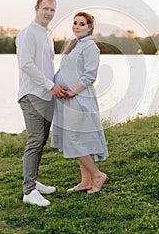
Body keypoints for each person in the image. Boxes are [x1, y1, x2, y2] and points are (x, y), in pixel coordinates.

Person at [16, 0, 67, 207]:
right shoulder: (27, 33)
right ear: (36, 8)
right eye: (45, 8)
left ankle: (33, 181)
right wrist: (49, 85)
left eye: (52, 10)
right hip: (32, 94)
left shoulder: (46, 34)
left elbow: (47, 65)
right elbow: (26, 65)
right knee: (35, 140)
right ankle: (28, 191)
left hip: (47, 95)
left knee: (42, 140)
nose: (48, 13)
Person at [51, 11, 109, 194]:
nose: (77, 26)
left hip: (79, 99)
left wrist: (72, 92)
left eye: (82, 24)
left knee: (75, 138)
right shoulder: (75, 44)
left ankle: (97, 175)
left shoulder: (90, 47)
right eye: (75, 23)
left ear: (90, 27)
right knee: (78, 138)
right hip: (69, 99)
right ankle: (86, 181)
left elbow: (89, 76)